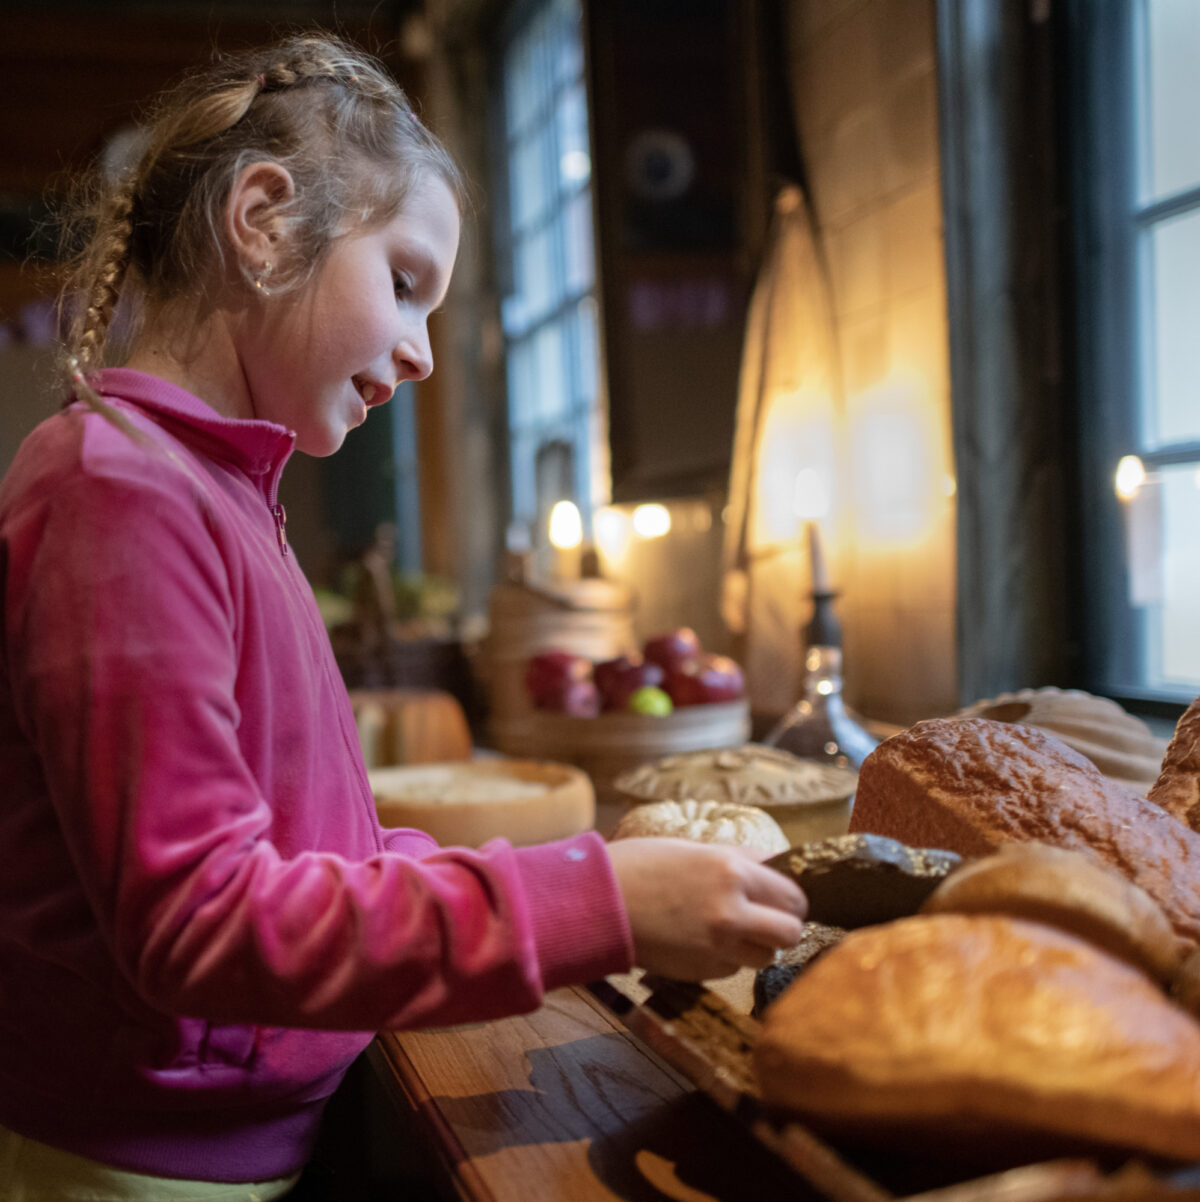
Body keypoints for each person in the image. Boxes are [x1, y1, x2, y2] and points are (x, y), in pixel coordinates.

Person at [0, 32, 807, 1200]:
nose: (424, 353)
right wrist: (600, 903)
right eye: (407, 282)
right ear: (266, 219)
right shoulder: (118, 491)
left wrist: (580, 874)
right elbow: (201, 920)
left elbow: (325, 856)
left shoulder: (213, 495)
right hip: (134, 1170)